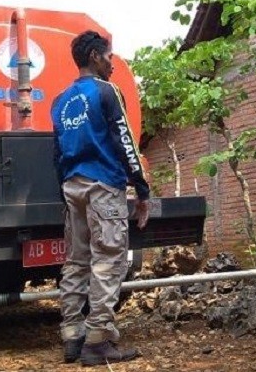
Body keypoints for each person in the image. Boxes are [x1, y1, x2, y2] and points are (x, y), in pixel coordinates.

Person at [51, 30, 150, 366]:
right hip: (103, 185)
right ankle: (98, 340)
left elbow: (57, 153)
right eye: (109, 57)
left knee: (76, 261)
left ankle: (72, 335)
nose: (112, 64)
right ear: (94, 56)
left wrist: (63, 193)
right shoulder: (106, 92)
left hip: (72, 186)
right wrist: (142, 189)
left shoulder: (61, 100)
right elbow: (125, 141)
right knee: (109, 259)